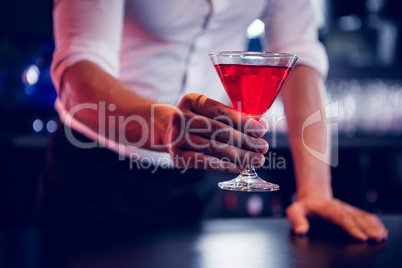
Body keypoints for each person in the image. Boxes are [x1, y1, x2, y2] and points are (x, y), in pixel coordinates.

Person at [40, 0, 388, 241]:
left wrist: (316, 192)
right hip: (94, 178)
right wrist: (162, 126)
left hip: (198, 181)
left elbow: (299, 53)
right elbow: (78, 67)